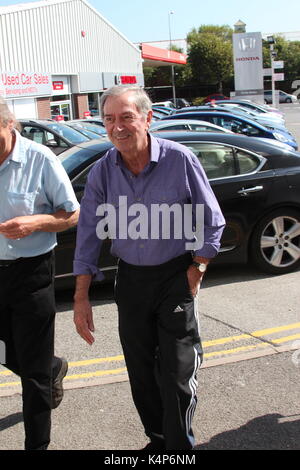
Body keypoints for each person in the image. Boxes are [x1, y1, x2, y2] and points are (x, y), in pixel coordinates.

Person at [73, 86, 225, 450]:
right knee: (141, 373)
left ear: (147, 118)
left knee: (176, 372)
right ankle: (158, 440)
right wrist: (80, 297)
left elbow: (212, 220)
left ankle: (179, 447)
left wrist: (198, 268)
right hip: (131, 282)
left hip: (175, 276)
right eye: (109, 119)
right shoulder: (101, 173)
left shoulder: (180, 159)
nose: (117, 127)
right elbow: (88, 236)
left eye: (126, 117)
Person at [0, 98, 80, 450]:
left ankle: (37, 445)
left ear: (9, 123)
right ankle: (53, 368)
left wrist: (36, 221)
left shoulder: (40, 159)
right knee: (6, 352)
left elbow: (72, 214)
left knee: (31, 375)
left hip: (31, 273)